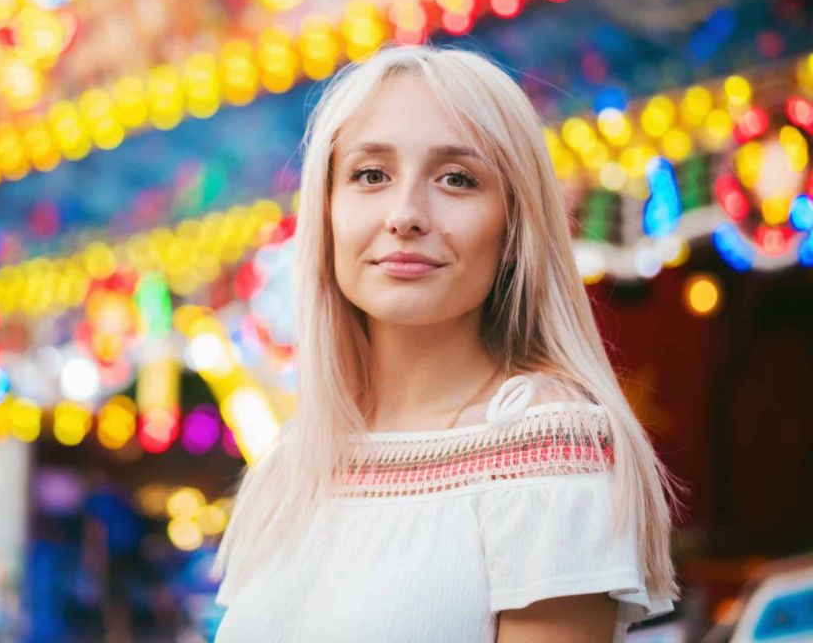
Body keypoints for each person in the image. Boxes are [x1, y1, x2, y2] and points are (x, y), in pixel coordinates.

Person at [210, 44, 679, 642]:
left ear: (515, 227)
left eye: (457, 179)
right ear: (325, 212)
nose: (405, 214)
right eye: (370, 175)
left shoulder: (542, 454)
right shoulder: (293, 463)